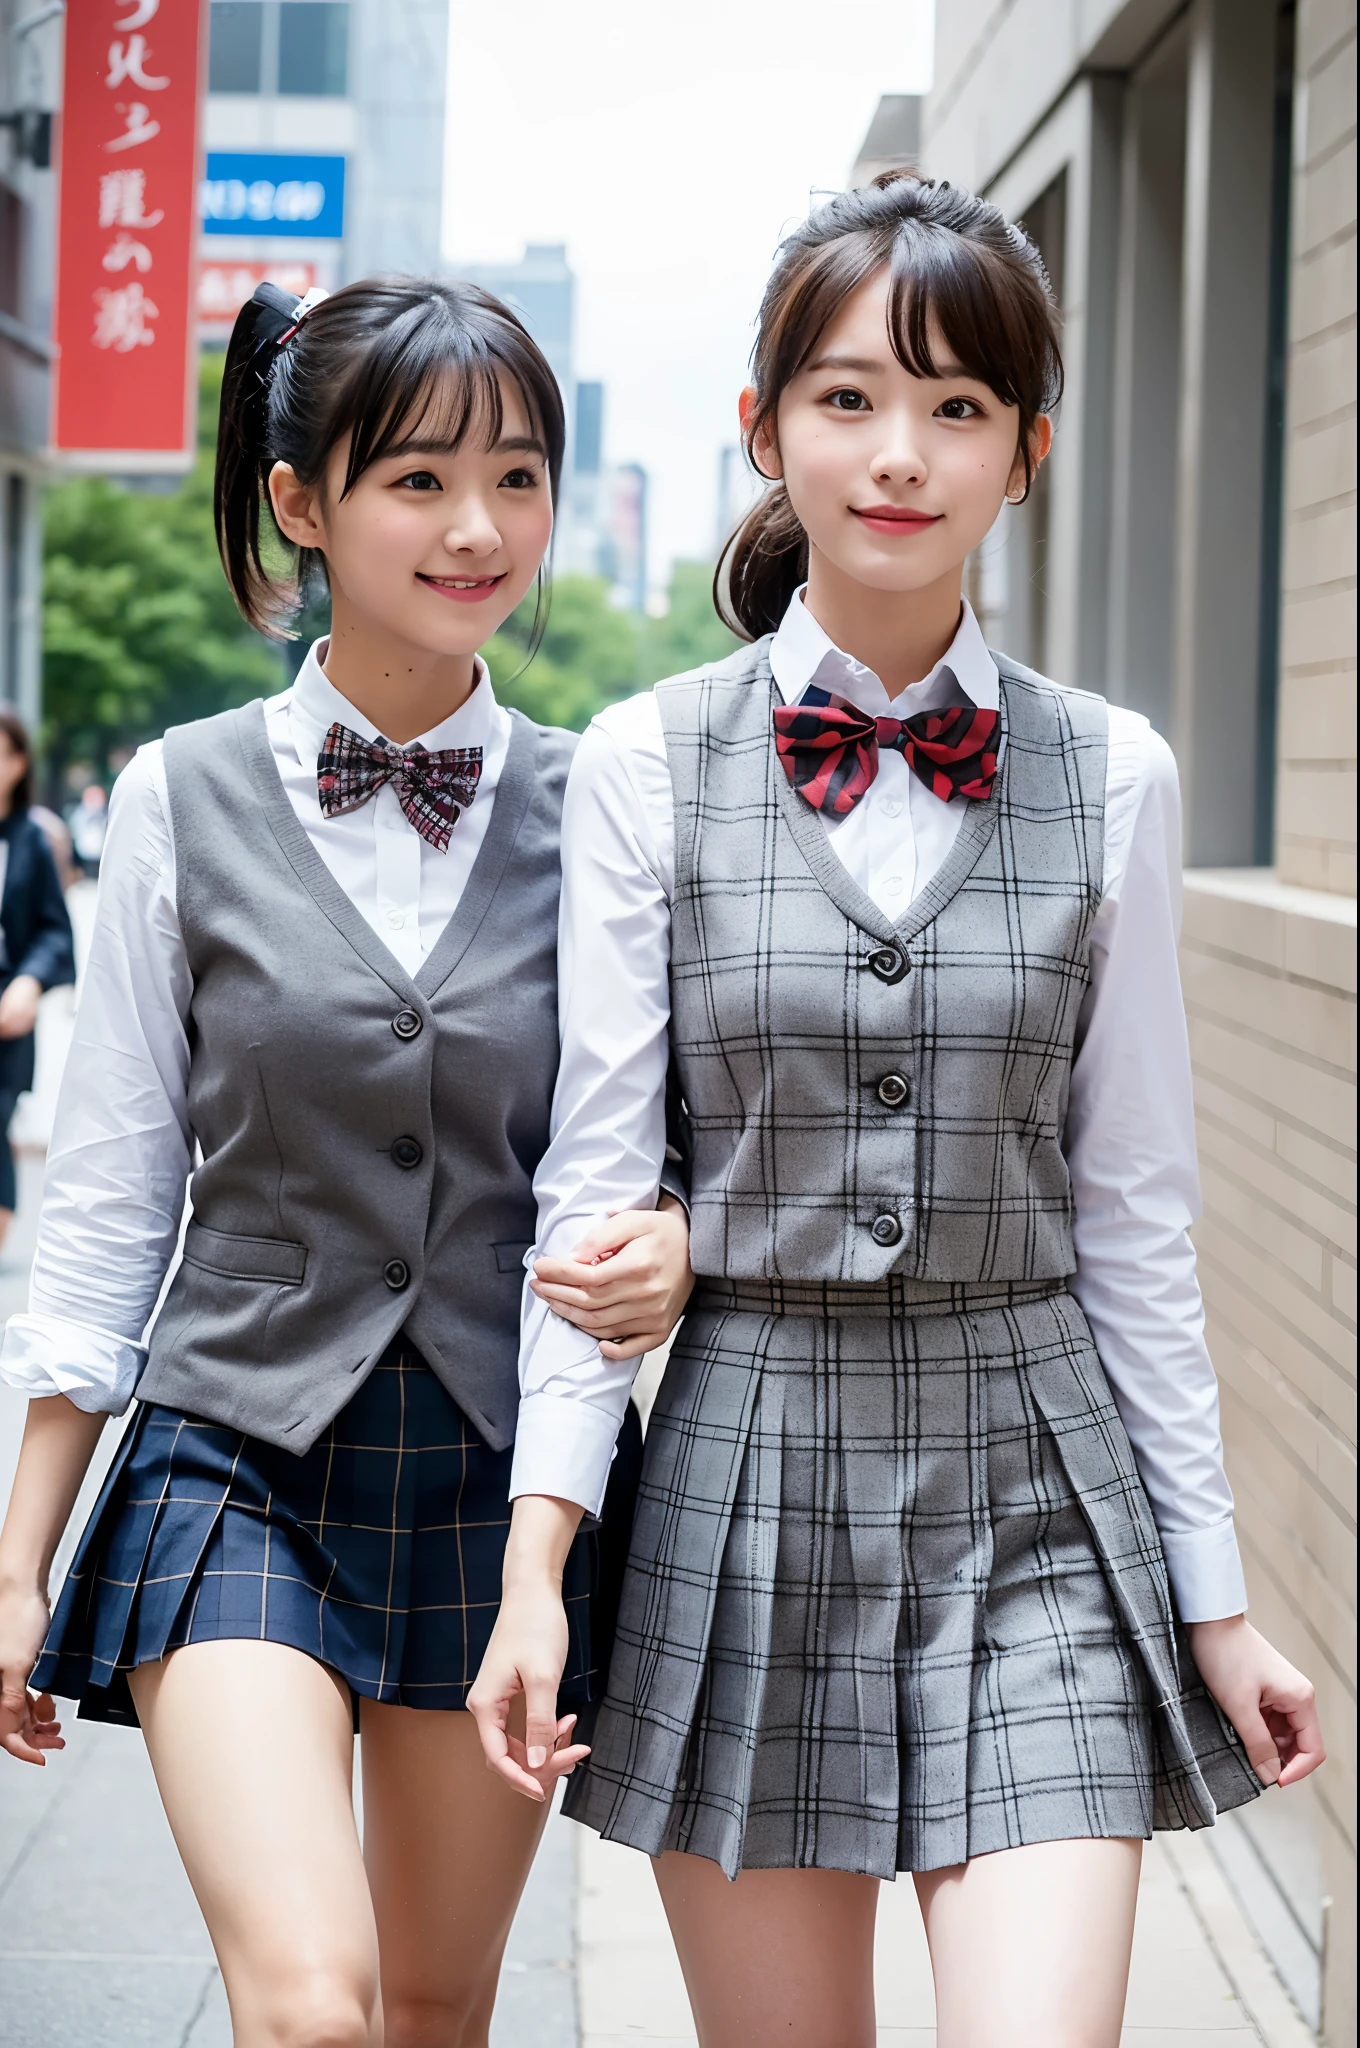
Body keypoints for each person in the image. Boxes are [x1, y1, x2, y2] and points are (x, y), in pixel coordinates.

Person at [468, 174, 1326, 2048]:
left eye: (958, 407)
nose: (900, 453)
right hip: (747, 1469)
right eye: (848, 398)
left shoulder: (1117, 773)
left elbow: (1137, 1217)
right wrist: (541, 1566)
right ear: (763, 427)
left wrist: (1216, 1600)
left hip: (1036, 1473)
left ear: (1027, 448)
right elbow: (596, 1195)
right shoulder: (646, 763)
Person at [0, 277, 693, 2048]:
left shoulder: (603, 804)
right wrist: (17, 1549)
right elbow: (108, 1190)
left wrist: (678, 1232)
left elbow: (653, 1132)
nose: (480, 527)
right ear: (301, 501)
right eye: (419, 480)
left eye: (520, 476)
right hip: (233, 1446)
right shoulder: (177, 791)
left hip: (495, 1466)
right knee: (313, 2002)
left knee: (435, 2005)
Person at [0, 711, 75, 1255]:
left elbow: (55, 931)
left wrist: (28, 982)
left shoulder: (32, 839)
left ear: (19, 763)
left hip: (8, 1008)